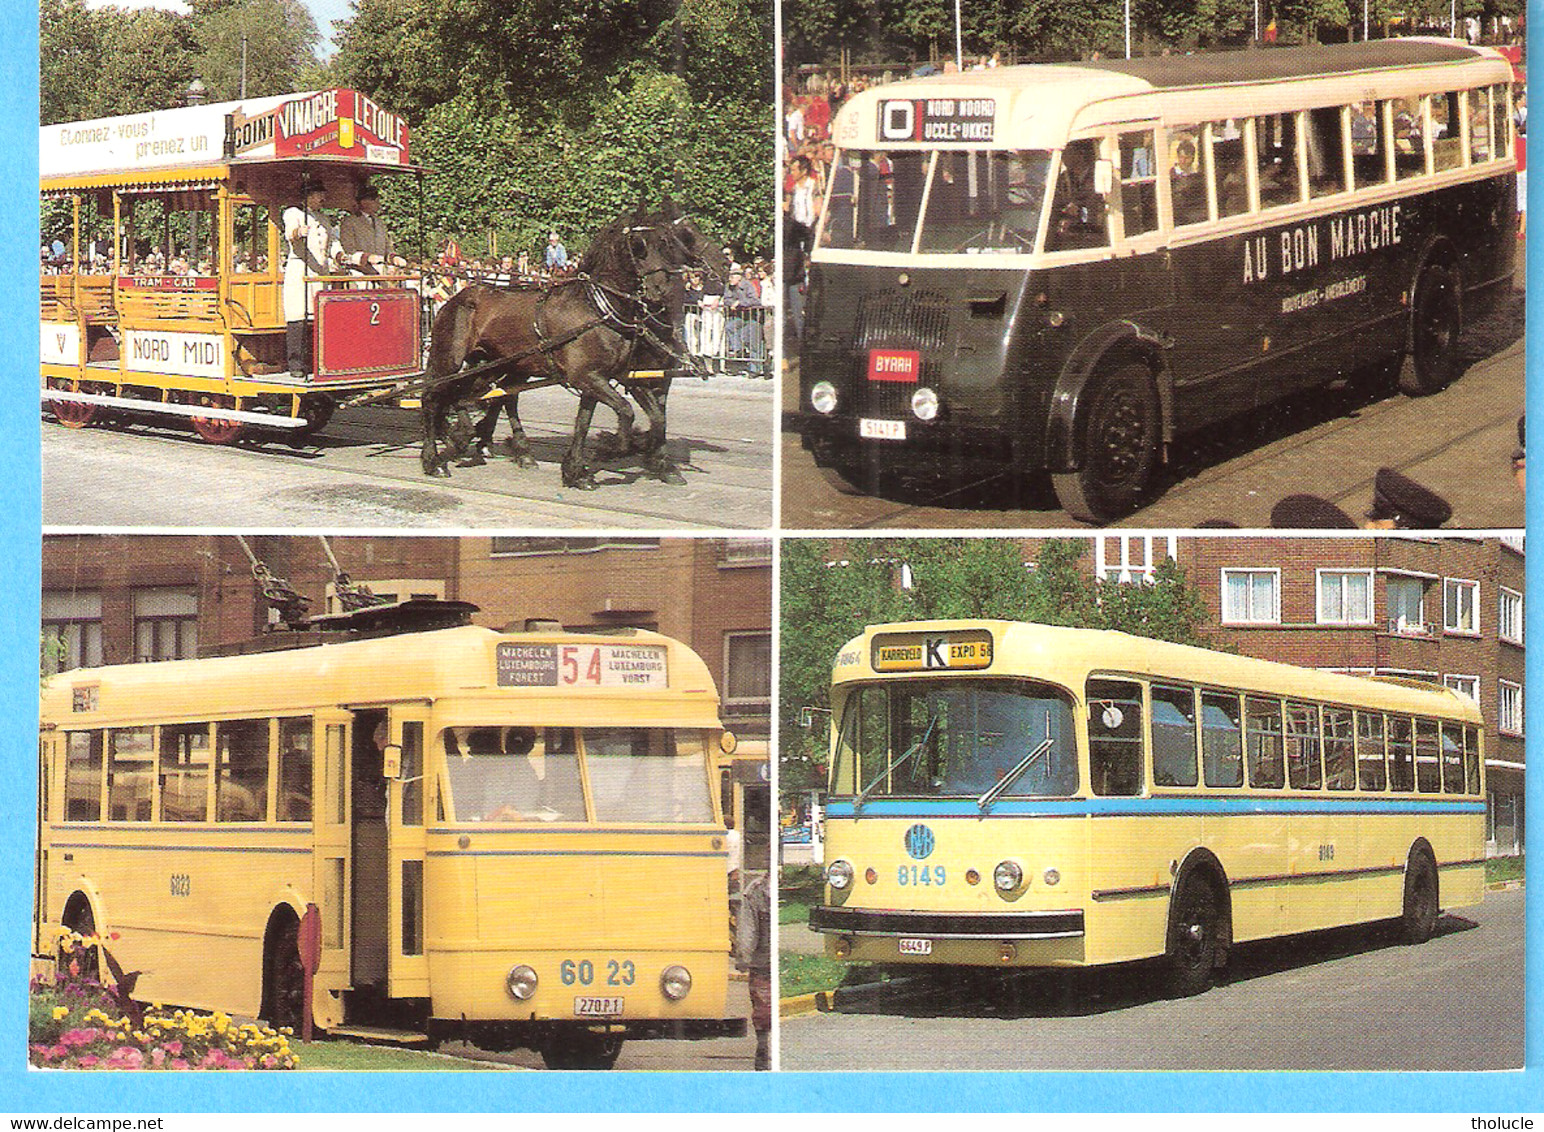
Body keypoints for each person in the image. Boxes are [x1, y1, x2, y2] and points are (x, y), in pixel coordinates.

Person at [283, 177, 343, 378]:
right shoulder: (294, 212)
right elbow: (290, 233)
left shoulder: (323, 219)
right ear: (308, 196)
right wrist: (298, 232)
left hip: (321, 274)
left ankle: (319, 361)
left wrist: (339, 254)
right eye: (318, 194)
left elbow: (332, 241)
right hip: (301, 271)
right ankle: (296, 364)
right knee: (298, 316)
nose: (322, 198)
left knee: (320, 318)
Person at [338, 185, 406, 275]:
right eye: (375, 201)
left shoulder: (380, 222)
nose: (379, 204)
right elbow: (349, 250)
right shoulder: (350, 222)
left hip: (381, 274)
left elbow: (388, 248)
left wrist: (394, 258)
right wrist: (366, 258)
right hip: (359, 275)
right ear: (364, 202)